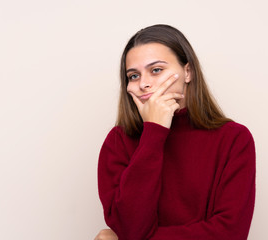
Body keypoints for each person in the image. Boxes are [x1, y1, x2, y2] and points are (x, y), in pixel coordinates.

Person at [95, 24, 256, 240]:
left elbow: (230, 233)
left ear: (187, 72)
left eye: (156, 70)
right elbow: (130, 228)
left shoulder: (234, 139)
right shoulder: (118, 142)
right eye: (133, 76)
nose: (143, 83)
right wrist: (154, 133)